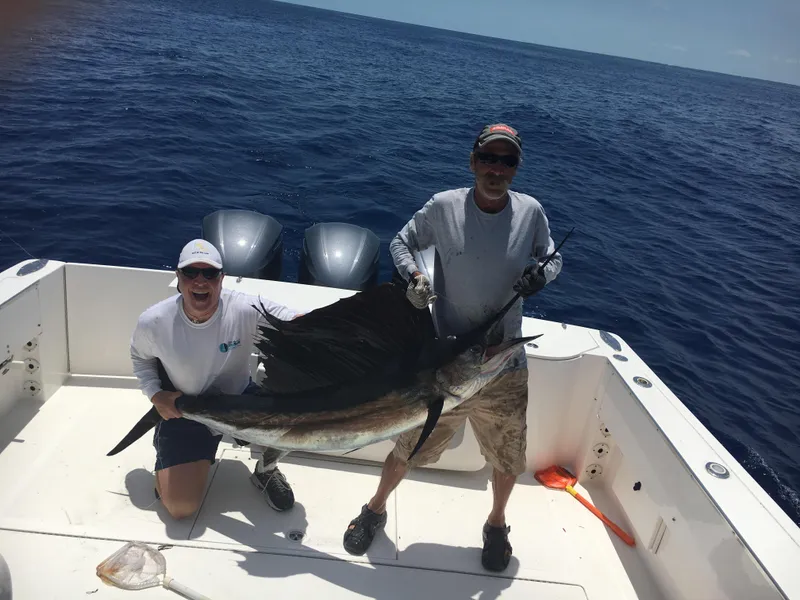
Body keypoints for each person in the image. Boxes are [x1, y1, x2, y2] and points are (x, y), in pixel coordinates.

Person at [342, 123, 563, 572]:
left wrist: (543, 275)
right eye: (489, 158)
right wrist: (415, 278)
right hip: (448, 361)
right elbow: (402, 243)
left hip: (503, 363)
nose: (496, 169)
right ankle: (376, 508)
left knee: (508, 456)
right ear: (473, 162)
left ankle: (497, 523)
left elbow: (553, 258)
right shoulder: (444, 207)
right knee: (409, 447)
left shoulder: (531, 212)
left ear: (516, 169)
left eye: (507, 161)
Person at [130, 238, 301, 519]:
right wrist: (156, 395)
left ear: (221, 279)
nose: (200, 280)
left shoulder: (245, 308)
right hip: (187, 409)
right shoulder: (155, 321)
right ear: (178, 277)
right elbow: (141, 358)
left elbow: (296, 321)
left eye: (209, 273)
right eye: (191, 272)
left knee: (301, 422)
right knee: (181, 509)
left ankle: (265, 471)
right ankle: (168, 464)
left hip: (240, 400)